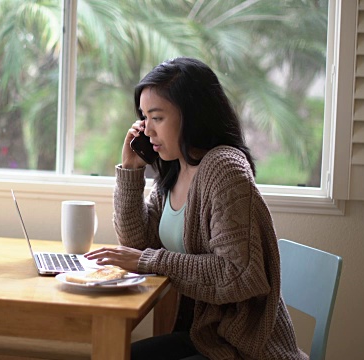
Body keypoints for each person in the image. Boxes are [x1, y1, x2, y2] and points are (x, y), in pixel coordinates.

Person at [84, 57, 308, 360]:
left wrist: (150, 261)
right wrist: (130, 169)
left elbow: (239, 273)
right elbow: (137, 245)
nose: (147, 130)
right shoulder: (176, 168)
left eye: (157, 117)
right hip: (204, 338)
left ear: (191, 115)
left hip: (242, 348)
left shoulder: (225, 169)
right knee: (114, 355)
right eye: (143, 117)